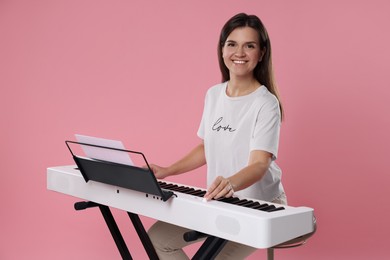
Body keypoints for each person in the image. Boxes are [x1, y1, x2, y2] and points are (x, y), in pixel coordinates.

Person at [148, 12, 287, 259]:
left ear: (261, 53)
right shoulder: (213, 95)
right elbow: (207, 147)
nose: (240, 53)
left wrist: (231, 183)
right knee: (157, 239)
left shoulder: (266, 103)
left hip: (258, 207)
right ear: (222, 50)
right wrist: (168, 171)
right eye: (232, 44)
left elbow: (259, 164)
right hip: (220, 202)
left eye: (250, 45)